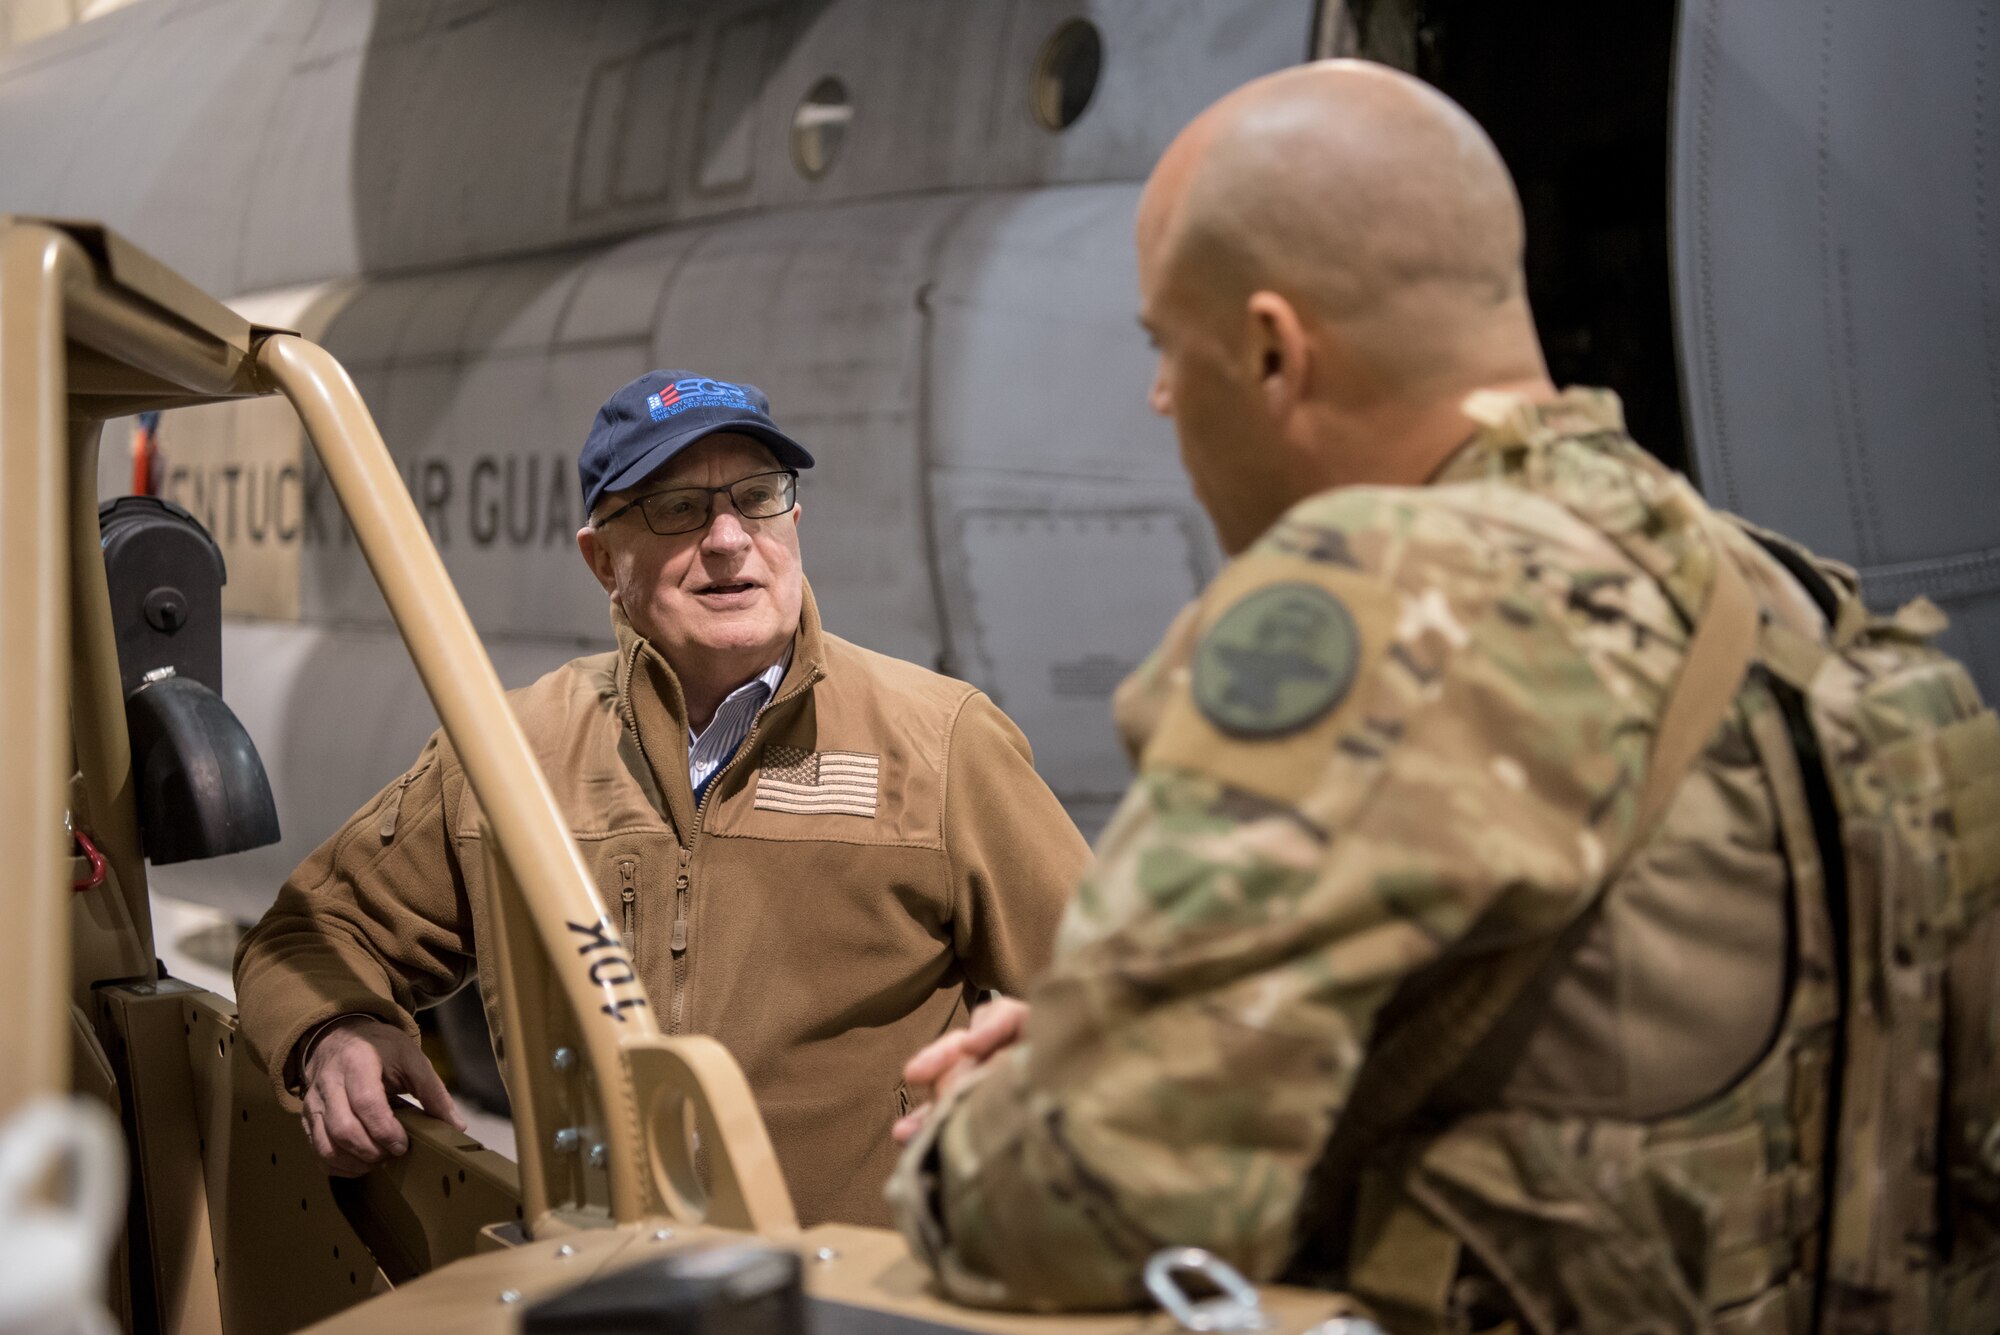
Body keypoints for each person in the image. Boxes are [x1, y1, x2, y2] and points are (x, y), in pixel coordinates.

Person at [886, 61, 2000, 1331]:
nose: (1155, 398)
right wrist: (1143, 1043)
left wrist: (987, 1130)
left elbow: (1075, 1214)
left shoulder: (1377, 599)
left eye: (1162, 347)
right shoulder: (1776, 595)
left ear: (1269, 352)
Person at [235, 370, 1089, 1227]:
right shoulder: (510, 751)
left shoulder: (941, 743)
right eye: (676, 508)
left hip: (855, 1302)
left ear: (795, 523)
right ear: (603, 559)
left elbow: (1112, 1000)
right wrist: (332, 1029)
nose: (728, 539)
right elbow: (312, 931)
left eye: (757, 498)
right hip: (602, 1294)